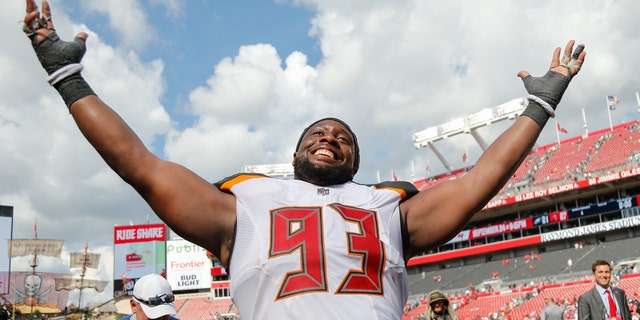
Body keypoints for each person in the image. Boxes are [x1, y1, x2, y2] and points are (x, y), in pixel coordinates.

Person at [21, 1, 586, 319]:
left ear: (356, 160)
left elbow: (479, 182)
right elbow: (138, 163)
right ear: (294, 156)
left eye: (343, 136)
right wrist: (67, 76)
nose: (331, 137)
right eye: (318, 132)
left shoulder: (387, 205)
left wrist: (540, 103)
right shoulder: (242, 202)